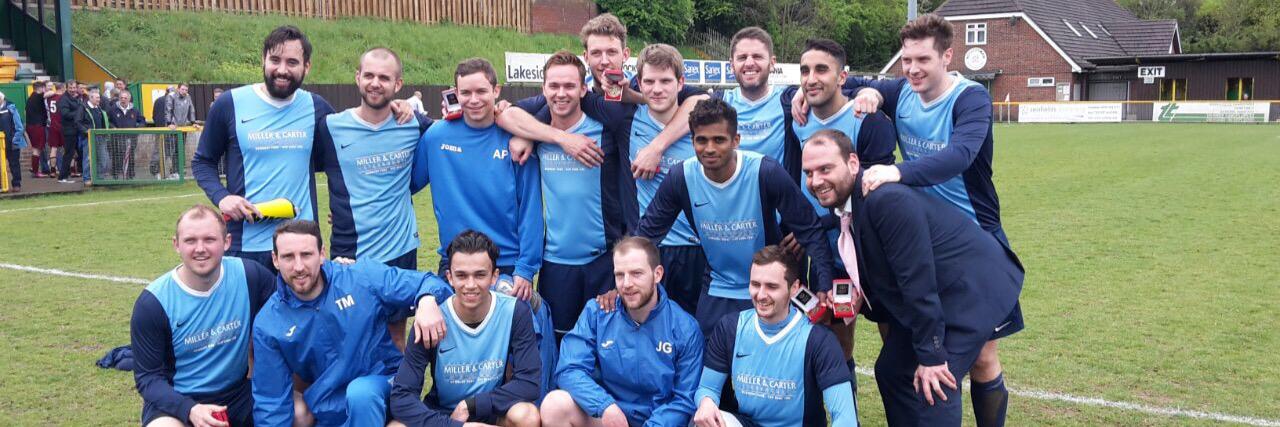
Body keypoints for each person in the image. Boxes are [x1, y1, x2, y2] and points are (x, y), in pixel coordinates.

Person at [837, 14, 1024, 426]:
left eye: (923, 59)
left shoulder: (970, 99)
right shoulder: (901, 90)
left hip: (977, 239)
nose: (913, 69)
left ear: (948, 56)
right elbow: (839, 83)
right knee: (920, 338)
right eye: (906, 60)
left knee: (982, 354)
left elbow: (959, 156)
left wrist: (898, 171)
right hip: (927, 239)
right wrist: (860, 92)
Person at [801, 129, 1024, 427]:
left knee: (933, 383)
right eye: (809, 173)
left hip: (970, 291)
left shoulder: (885, 201)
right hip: (940, 292)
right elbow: (883, 275)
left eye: (825, 169)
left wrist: (931, 356)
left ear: (853, 163)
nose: (816, 181)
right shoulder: (854, 204)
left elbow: (917, 283)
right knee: (892, 369)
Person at [635, 98, 835, 335]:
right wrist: (620, 283)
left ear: (736, 140)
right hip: (719, 287)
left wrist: (824, 284)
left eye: (719, 139)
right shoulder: (681, 177)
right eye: (701, 140)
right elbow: (646, 236)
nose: (709, 148)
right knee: (712, 366)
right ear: (692, 141)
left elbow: (809, 228)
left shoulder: (765, 171)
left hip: (768, 287)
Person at [251, 220, 453, 426]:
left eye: (306, 254)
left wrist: (427, 299)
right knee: (298, 411)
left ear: (321, 254)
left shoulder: (359, 277)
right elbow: (271, 401)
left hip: (383, 384)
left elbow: (428, 282)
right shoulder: (268, 323)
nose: (299, 266)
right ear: (275, 260)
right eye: (288, 257)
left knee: (361, 394)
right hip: (328, 404)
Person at [192, 25, 336, 273]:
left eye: (292, 62)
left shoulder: (316, 107)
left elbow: (343, 157)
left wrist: (396, 107)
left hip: (300, 244)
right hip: (245, 244)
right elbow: (203, 161)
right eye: (275, 60)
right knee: (246, 313)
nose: (282, 70)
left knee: (302, 313)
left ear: (306, 67)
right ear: (263, 60)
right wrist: (222, 197)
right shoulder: (230, 104)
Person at [410, 57, 543, 304]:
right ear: (455, 94)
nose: (473, 99)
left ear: (496, 90)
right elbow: (404, 187)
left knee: (510, 341)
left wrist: (525, 268)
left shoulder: (517, 139)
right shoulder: (436, 137)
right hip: (456, 263)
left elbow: (531, 209)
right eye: (466, 92)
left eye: (481, 91)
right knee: (452, 339)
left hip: (507, 266)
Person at [130, 205, 277, 427]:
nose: (200, 248)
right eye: (190, 241)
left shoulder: (250, 276)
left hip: (238, 394)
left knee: (299, 412)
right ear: (176, 245)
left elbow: (290, 307)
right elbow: (148, 379)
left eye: (209, 239)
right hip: (179, 399)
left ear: (227, 242)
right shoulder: (153, 303)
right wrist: (189, 409)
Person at [539, 236, 702, 427]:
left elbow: (684, 399)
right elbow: (569, 369)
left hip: (659, 422)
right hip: (611, 417)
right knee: (554, 405)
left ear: (657, 274)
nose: (626, 284)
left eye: (636, 273)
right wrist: (605, 406)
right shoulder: (597, 313)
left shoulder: (685, 328)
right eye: (619, 275)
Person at [390, 230, 543, 427]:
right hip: (444, 415)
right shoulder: (432, 318)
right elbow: (401, 398)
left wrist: (471, 405)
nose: (470, 285)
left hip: (491, 410)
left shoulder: (514, 311)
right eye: (461, 276)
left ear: (494, 276)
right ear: (449, 277)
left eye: (480, 275)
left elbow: (529, 383)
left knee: (527, 415)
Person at [692, 246, 856, 427]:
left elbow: (845, 417)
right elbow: (707, 388)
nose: (761, 295)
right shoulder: (730, 328)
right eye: (755, 284)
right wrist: (706, 402)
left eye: (771, 286)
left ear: (794, 288)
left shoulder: (818, 340)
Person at [108, 90, 147, 179]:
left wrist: (139, 127)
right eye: (121, 98)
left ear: (129, 99)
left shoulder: (135, 110)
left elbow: (142, 120)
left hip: (131, 137)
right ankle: (116, 176)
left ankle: (131, 175)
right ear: (119, 98)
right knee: (117, 155)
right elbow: (108, 121)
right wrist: (112, 127)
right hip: (117, 137)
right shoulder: (113, 109)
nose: (123, 100)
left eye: (125, 98)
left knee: (131, 155)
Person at [57, 80, 87, 183]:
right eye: (70, 88)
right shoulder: (64, 99)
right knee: (69, 154)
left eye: (74, 88)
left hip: (78, 130)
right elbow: (65, 114)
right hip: (69, 130)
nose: (73, 90)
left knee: (81, 152)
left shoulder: (77, 98)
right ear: (66, 88)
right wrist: (79, 113)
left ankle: (84, 174)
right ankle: (62, 177)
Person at [0, 91, 27, 191]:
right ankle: (2, 184)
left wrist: (14, 140)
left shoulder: (11, 108)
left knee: (14, 163)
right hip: (0, 142)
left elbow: (19, 126)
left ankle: (16, 184)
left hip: (11, 142)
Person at [84, 91, 111, 182]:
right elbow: (78, 122)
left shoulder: (99, 108)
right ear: (91, 98)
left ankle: (99, 177)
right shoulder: (83, 108)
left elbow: (104, 122)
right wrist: (86, 131)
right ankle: (87, 179)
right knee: (88, 159)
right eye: (97, 98)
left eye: (99, 98)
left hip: (101, 136)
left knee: (103, 158)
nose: (99, 100)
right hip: (89, 136)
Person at [25, 80, 48, 178]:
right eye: (44, 88)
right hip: (37, 126)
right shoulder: (38, 96)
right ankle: (35, 171)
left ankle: (34, 168)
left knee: (36, 148)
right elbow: (49, 93)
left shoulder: (30, 98)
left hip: (31, 126)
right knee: (37, 149)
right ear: (40, 88)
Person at [45, 82, 65, 178]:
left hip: (52, 125)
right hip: (62, 125)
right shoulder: (63, 98)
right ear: (62, 87)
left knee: (54, 148)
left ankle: (52, 170)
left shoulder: (50, 98)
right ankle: (71, 170)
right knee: (68, 147)